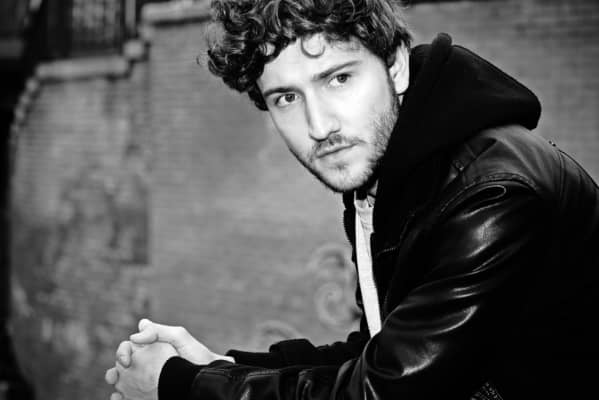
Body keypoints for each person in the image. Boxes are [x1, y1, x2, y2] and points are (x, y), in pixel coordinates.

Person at [105, 0, 599, 399]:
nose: (320, 126)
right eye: (287, 98)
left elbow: (380, 391)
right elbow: (381, 351)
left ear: (395, 66)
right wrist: (219, 366)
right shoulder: (391, 173)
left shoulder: (488, 196)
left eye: (338, 78)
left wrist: (181, 386)